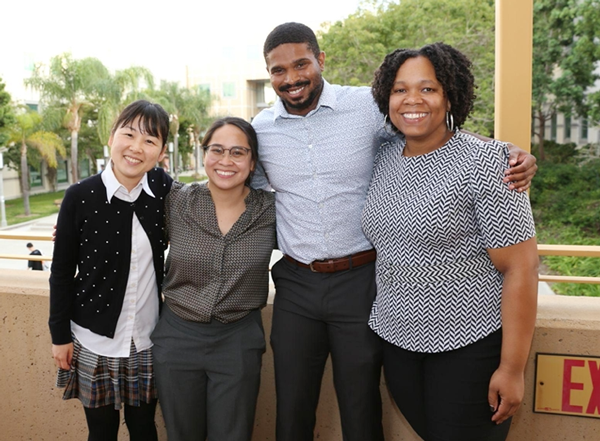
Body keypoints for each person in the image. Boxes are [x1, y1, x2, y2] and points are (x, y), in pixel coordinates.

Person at [251, 22, 538, 441]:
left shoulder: (370, 107)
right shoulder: (266, 131)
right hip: (335, 302)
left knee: (362, 407)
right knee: (295, 405)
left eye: (301, 63)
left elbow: (433, 131)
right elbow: (246, 189)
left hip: (400, 303)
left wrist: (508, 153)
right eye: (278, 70)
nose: (292, 78)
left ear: (320, 60)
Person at [362, 43, 539, 441]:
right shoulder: (382, 158)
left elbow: (521, 267)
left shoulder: (488, 163)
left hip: (469, 345)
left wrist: (511, 369)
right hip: (398, 341)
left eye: (428, 89)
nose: (412, 100)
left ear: (450, 96)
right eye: (399, 89)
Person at [49, 100, 172, 441]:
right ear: (111, 136)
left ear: (162, 151)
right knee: (101, 432)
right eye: (128, 134)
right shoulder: (79, 196)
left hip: (146, 340)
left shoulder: (164, 191)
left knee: (144, 428)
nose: (136, 147)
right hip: (93, 339)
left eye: (150, 140)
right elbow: (60, 274)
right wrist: (59, 336)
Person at [151, 117, 276, 441]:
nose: (225, 161)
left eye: (238, 152)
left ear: (252, 163)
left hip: (238, 339)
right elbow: (127, 222)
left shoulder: (271, 211)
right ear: (204, 154)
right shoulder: (176, 201)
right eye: (217, 150)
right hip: (177, 336)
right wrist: (73, 229)